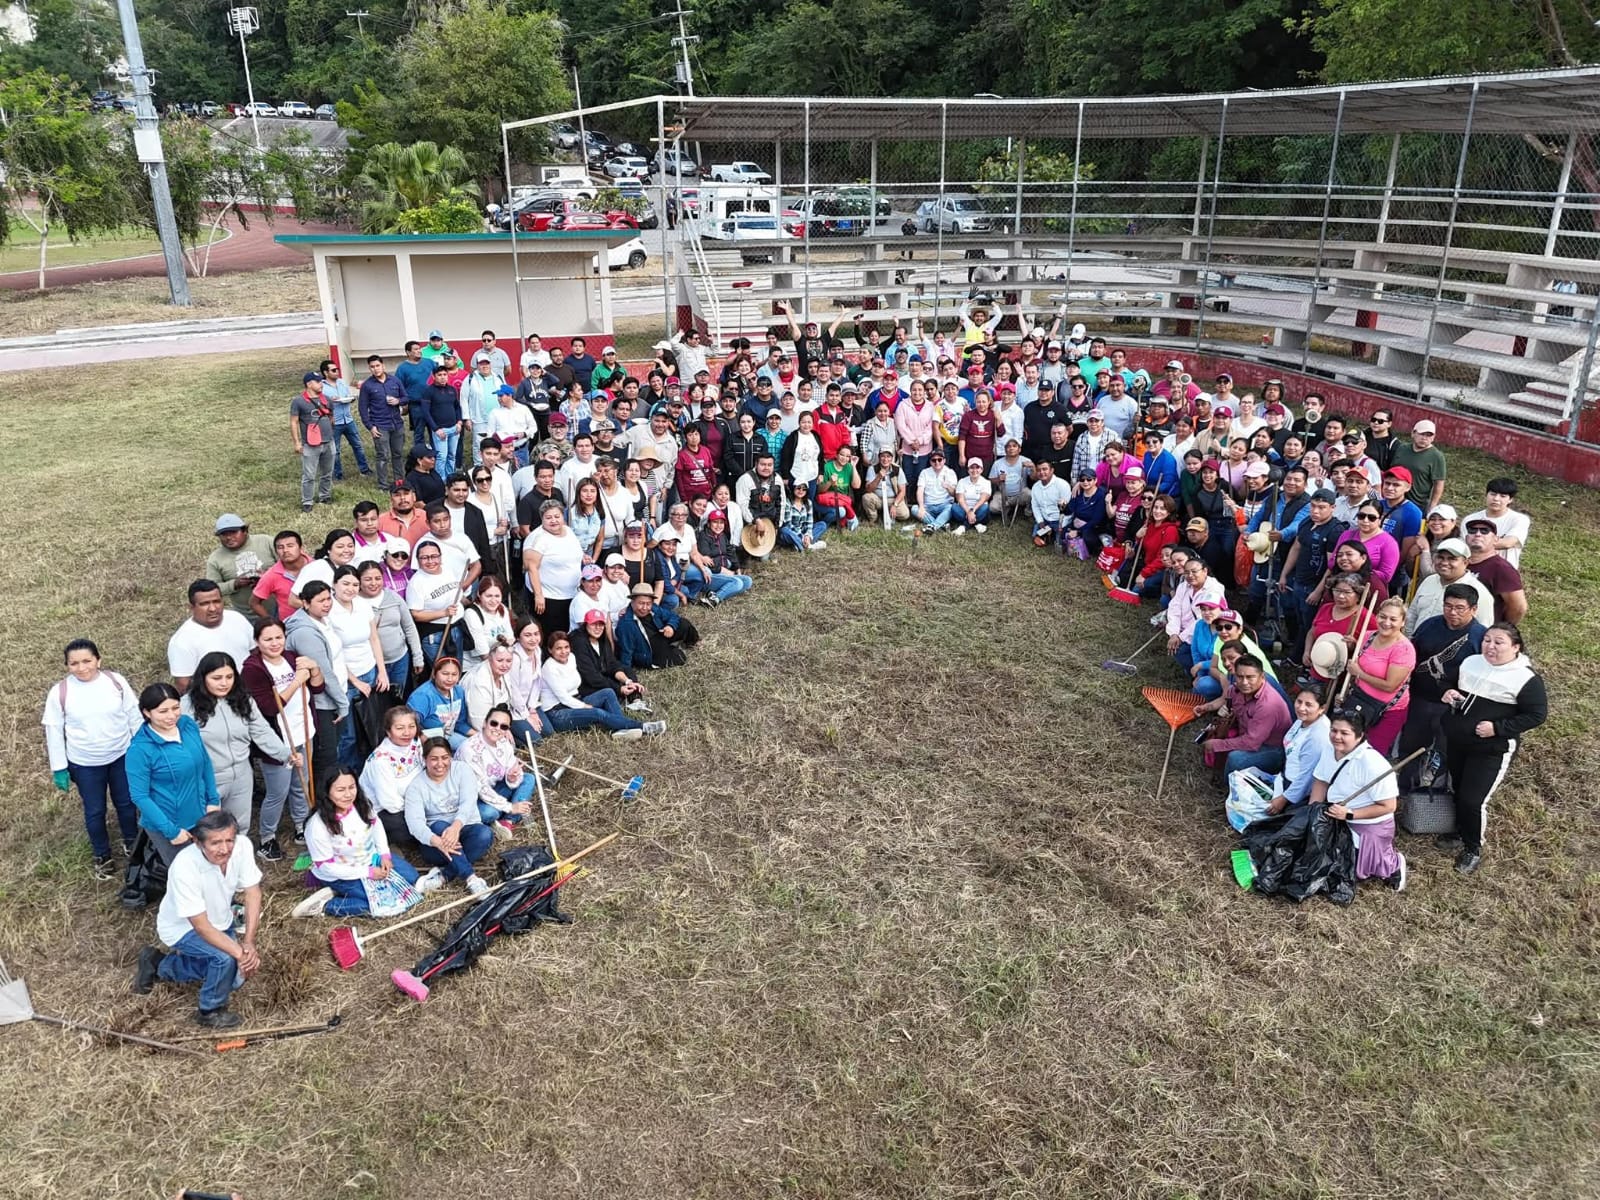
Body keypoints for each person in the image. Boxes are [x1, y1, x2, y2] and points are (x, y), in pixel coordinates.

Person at [131, 810, 261, 1027]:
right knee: (224, 959)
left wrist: (248, 942)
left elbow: (253, 893)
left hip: (220, 920)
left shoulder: (243, 846)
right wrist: (239, 954)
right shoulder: (185, 866)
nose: (224, 849)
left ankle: (159, 964)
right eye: (215, 843)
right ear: (199, 843)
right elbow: (201, 927)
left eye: (229, 840)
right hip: (183, 928)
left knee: (236, 978)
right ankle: (210, 1010)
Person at [1438, 623, 1547, 876]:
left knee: (1473, 799)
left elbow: (1536, 715)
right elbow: (1449, 682)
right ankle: (1459, 831)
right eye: (1487, 640)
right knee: (1457, 788)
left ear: (1515, 647)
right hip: (1458, 740)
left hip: (1492, 750)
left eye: (1499, 642)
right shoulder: (1471, 662)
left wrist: (1497, 728)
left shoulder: (1526, 678)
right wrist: (1448, 692)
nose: (1490, 646)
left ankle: (1473, 848)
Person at [42, 639, 141, 878]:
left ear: (98, 660)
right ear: (67, 665)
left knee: (127, 803)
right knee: (95, 811)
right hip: (85, 764)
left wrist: (140, 748)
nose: (82, 667)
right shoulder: (60, 692)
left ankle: (132, 843)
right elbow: (54, 730)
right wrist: (59, 768)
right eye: (74, 663)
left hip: (121, 756)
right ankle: (102, 855)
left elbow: (133, 714)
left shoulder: (116, 682)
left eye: (87, 661)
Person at [295, 766, 439, 919]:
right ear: (327, 792)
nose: (348, 794)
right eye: (340, 790)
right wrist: (368, 873)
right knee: (382, 903)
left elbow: (376, 826)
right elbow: (327, 867)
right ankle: (326, 905)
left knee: (412, 879)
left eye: (352, 787)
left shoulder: (361, 805)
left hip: (372, 860)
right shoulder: (317, 826)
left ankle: (347, 893)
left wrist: (384, 855)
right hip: (340, 874)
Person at [180, 652, 292, 842]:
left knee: (239, 829)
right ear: (203, 678)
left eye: (229, 677)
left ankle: (236, 860)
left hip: (241, 775)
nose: (224, 683)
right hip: (207, 779)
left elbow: (261, 731)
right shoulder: (186, 707)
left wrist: (284, 754)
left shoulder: (243, 699)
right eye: (217, 678)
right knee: (207, 831)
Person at [241, 617, 322, 854]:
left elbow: (318, 687)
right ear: (257, 641)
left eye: (279, 637)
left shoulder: (291, 657)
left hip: (303, 731)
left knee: (301, 783)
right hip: (278, 741)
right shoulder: (252, 669)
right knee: (278, 792)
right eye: (268, 639)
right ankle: (267, 837)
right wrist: (296, 682)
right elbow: (269, 707)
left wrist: (314, 669)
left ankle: (301, 825)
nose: (275, 643)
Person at [1394, 583, 1486, 792]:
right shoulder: (1429, 625)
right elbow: (1412, 652)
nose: (1452, 612)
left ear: (1473, 609)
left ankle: (1437, 794)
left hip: (1452, 707)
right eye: (1448, 606)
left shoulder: (1480, 637)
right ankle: (1406, 789)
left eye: (1459, 608)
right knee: (1411, 746)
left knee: (1446, 752)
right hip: (1420, 698)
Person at [125, 682, 221, 867]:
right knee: (186, 872)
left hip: (202, 814)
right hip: (170, 823)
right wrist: (171, 831)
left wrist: (212, 800)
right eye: (163, 711)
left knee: (212, 864)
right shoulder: (140, 750)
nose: (171, 716)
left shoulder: (187, 725)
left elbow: (204, 762)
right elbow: (140, 796)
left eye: (175, 708)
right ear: (147, 713)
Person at [1312, 709, 1406, 889]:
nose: (1336, 737)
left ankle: (1393, 865)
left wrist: (1350, 814)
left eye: (1344, 733)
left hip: (1367, 823)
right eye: (1334, 730)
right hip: (1335, 814)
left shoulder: (1372, 763)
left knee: (1350, 871)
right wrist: (1313, 811)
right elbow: (1321, 781)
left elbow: (1389, 806)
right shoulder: (1329, 749)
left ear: (1359, 735)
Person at [1224, 686, 1331, 832]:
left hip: (1295, 790)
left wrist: (1283, 799)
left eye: (1308, 705)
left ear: (1321, 708)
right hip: (1285, 777)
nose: (1301, 708)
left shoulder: (1317, 737)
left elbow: (1306, 777)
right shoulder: (1303, 721)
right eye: (1299, 701)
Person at [404, 736, 494, 894]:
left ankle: (444, 875)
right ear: (424, 759)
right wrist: (438, 842)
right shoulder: (416, 786)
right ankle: (471, 879)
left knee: (484, 834)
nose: (440, 764)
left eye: (445, 758)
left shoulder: (462, 770)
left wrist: (456, 828)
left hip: (464, 831)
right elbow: (414, 824)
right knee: (439, 826)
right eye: (434, 759)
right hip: (436, 845)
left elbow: (468, 801)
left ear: (451, 757)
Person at [540, 627, 664, 739]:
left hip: (575, 700)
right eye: (558, 648)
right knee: (597, 713)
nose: (563, 651)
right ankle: (644, 727)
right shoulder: (549, 668)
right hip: (558, 713)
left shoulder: (571, 658)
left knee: (608, 692)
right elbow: (563, 698)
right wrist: (584, 706)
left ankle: (620, 729)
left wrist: (626, 681)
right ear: (550, 650)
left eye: (566, 647)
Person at [283, 580, 347, 769]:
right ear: (305, 603)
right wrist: (342, 703)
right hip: (322, 702)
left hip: (336, 693)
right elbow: (324, 671)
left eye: (329, 598)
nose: (327, 604)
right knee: (326, 755)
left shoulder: (323, 620)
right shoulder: (305, 633)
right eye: (321, 601)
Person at [1197, 655, 1293, 777]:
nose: (1244, 682)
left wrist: (1217, 744)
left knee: (1236, 759)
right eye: (1240, 677)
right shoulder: (1234, 690)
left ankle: (1225, 784)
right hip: (1249, 732)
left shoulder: (1268, 705)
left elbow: (1251, 743)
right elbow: (1231, 712)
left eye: (1250, 677)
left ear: (1262, 677)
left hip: (1272, 748)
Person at [1343, 597, 1415, 755]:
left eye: (1393, 619)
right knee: (1348, 746)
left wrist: (1359, 673)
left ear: (1403, 622)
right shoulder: (1367, 636)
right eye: (1383, 616)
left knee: (1370, 754)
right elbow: (1361, 661)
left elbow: (1390, 686)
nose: (1386, 622)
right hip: (1360, 700)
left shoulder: (1404, 649)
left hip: (1386, 711)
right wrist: (1353, 646)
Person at [456, 704, 536, 838]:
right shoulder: (469, 750)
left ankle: (508, 820)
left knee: (528, 778)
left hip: (493, 788)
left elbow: (514, 770)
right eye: (494, 723)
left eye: (503, 726)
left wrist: (512, 778)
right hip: (470, 800)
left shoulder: (504, 743)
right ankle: (507, 812)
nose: (498, 729)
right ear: (484, 723)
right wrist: (510, 807)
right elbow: (481, 789)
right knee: (489, 813)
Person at [359, 705, 427, 850]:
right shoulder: (380, 760)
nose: (407, 733)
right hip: (384, 811)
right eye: (400, 728)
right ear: (388, 731)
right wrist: (417, 810)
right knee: (408, 826)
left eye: (411, 726)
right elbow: (390, 803)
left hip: (413, 800)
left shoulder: (415, 743)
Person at [168, 580, 255, 692]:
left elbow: (255, 650)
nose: (213, 608)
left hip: (252, 690)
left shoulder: (237, 619)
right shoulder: (181, 641)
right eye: (204, 604)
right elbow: (184, 684)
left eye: (217, 601)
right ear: (191, 607)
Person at [524, 499, 585, 637]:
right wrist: (538, 595)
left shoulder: (568, 531)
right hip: (549, 599)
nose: (553, 520)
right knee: (552, 636)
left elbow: (575, 552)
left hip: (572, 594)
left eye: (557, 516)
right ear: (542, 519)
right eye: (548, 517)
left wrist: (583, 557)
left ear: (563, 516)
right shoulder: (538, 538)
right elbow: (531, 567)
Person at [359, 561, 421, 691]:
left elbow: (409, 627)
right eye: (368, 579)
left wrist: (417, 657)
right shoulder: (356, 603)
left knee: (398, 696)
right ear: (359, 581)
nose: (374, 583)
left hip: (400, 659)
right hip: (371, 665)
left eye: (378, 578)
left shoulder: (393, 597)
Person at [1464, 518, 1529, 624]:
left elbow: (1518, 607)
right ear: (1466, 538)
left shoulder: (1502, 569)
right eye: (1472, 530)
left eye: (1484, 531)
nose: (1478, 534)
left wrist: (1502, 627)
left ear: (1495, 539)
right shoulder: (1459, 562)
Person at [206, 515, 274, 615]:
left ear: (245, 531)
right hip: (246, 615)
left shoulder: (266, 542)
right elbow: (211, 589)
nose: (229, 537)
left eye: (233, 532)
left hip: (281, 607)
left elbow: (290, 565)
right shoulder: (215, 559)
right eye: (223, 534)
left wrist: (268, 576)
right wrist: (235, 584)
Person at [291, 370, 335, 512]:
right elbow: (294, 422)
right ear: (309, 384)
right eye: (317, 382)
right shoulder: (298, 401)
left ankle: (325, 496)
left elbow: (331, 416)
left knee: (327, 472)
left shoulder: (326, 399)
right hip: (310, 444)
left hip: (328, 442)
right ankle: (307, 501)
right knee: (309, 475)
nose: (321, 384)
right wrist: (297, 442)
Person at [690, 508, 754, 606]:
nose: (718, 526)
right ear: (708, 524)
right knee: (737, 582)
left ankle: (714, 593)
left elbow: (730, 552)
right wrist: (725, 571)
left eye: (721, 523)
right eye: (715, 522)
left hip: (723, 572)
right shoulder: (703, 537)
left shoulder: (722, 536)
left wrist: (737, 568)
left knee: (747, 581)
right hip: (710, 576)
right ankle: (715, 599)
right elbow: (708, 562)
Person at [1464, 477, 1529, 568]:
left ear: (1510, 499)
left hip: (1504, 570)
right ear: (1486, 495)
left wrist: (1476, 543)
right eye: (1493, 494)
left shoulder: (1519, 519)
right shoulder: (1470, 519)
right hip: (1472, 568)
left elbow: (1508, 543)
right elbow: (1463, 545)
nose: (1496, 499)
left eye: (1503, 496)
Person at [408, 656, 467, 750]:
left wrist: (479, 735)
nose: (450, 679)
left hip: (448, 735)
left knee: (474, 747)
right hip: (426, 741)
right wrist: (428, 744)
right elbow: (409, 723)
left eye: (454, 674)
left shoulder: (459, 691)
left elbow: (460, 723)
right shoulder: (423, 696)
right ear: (434, 674)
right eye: (445, 674)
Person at [460, 574, 516, 674]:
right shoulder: (472, 614)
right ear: (479, 594)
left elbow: (510, 638)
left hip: (499, 662)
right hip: (476, 667)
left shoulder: (502, 609)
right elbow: (484, 654)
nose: (493, 601)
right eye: (489, 596)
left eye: (497, 596)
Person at [1388, 418, 1446, 511]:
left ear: (1433, 437)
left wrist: (1432, 505)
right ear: (1413, 433)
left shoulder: (1436, 456)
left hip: (1417, 503)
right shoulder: (1402, 448)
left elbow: (1439, 483)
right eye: (1421, 434)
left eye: (1429, 435)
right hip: (1393, 497)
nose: (1424, 438)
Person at [952, 457, 993, 534]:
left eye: (977, 467)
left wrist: (972, 511)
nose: (974, 470)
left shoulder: (986, 482)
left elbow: (983, 499)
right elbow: (960, 499)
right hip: (964, 509)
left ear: (982, 469)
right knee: (954, 507)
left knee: (985, 508)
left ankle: (964, 526)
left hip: (978, 509)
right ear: (968, 470)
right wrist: (968, 512)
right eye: (972, 468)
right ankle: (977, 524)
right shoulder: (962, 481)